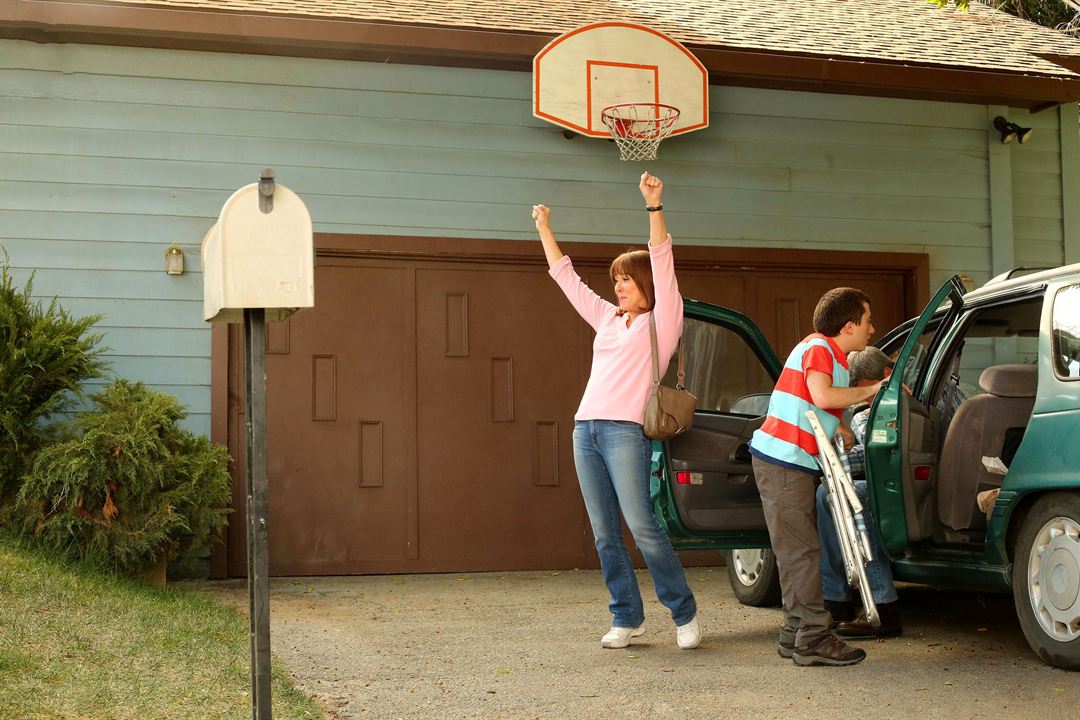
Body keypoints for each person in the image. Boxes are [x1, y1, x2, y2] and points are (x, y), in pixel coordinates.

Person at [531, 172, 701, 651]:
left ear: (645, 284)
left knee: (643, 526)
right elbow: (567, 280)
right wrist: (545, 228)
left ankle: (684, 613)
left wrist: (654, 207)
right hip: (585, 430)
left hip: (627, 432)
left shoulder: (665, 320)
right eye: (616, 280)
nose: (619, 286)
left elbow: (663, 259)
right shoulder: (607, 318)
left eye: (626, 279)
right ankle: (627, 616)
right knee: (605, 533)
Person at [748, 288, 882, 666]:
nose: (872, 329)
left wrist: (839, 428)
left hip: (786, 462)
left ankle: (795, 632)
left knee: (795, 552)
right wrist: (871, 390)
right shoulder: (820, 347)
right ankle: (813, 637)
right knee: (802, 552)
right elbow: (822, 396)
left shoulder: (833, 357)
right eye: (868, 321)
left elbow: (814, 402)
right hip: (783, 461)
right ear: (849, 325)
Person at [816, 346, 902, 637]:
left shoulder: (872, 413)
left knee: (839, 494)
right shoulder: (944, 394)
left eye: (860, 388)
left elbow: (874, 458)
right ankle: (839, 598)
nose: (857, 397)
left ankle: (873, 603)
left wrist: (828, 452)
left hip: (896, 486)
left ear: (886, 376)